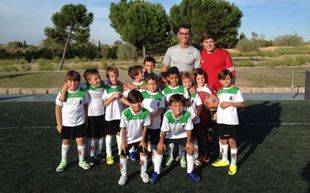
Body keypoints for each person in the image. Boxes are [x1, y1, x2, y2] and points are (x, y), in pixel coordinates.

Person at [150, 94, 201, 184]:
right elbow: (164, 131)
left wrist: (188, 142)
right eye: (175, 105)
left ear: (183, 106)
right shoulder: (167, 115)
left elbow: (189, 130)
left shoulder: (187, 115)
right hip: (169, 136)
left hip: (182, 135)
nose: (178, 108)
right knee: (159, 149)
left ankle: (190, 172)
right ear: (170, 106)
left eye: (180, 105)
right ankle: (156, 172)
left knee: (190, 149)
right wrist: (161, 142)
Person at [54, 70, 90, 172]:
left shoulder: (83, 92)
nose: (73, 83)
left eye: (75, 81)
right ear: (66, 82)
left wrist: (85, 119)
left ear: (79, 82)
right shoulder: (62, 93)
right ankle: (63, 161)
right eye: (70, 81)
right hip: (66, 124)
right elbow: (57, 108)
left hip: (79, 122)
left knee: (81, 141)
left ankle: (81, 160)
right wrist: (59, 124)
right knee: (65, 141)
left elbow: (86, 105)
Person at [211, 70, 245, 175]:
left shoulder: (236, 90)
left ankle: (233, 163)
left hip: (231, 121)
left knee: (232, 141)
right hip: (221, 120)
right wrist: (215, 113)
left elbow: (242, 104)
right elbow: (218, 104)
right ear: (220, 81)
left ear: (231, 79)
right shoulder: (219, 91)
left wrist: (230, 103)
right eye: (223, 79)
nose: (225, 81)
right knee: (222, 140)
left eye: (228, 78)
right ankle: (225, 160)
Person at [118, 90, 151, 185]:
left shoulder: (146, 112)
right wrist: (124, 142)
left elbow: (145, 127)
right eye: (135, 102)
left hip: (139, 138)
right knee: (123, 155)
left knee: (144, 154)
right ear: (131, 103)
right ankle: (123, 175)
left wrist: (143, 140)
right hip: (127, 139)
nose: (138, 104)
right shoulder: (126, 113)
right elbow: (123, 129)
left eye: (140, 101)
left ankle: (143, 173)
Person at [161, 67, 190, 166]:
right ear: (168, 78)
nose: (174, 80)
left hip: (182, 119)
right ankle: (171, 156)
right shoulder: (165, 91)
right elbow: (163, 105)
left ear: (179, 77)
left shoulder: (183, 89)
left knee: (182, 139)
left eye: (176, 78)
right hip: (170, 120)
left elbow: (187, 101)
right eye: (172, 78)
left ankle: (182, 157)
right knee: (171, 140)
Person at [103, 67, 130, 165]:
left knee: (119, 135)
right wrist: (113, 97)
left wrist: (126, 90)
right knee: (109, 136)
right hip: (109, 117)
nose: (114, 78)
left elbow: (125, 97)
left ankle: (120, 151)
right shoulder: (106, 88)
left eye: (116, 76)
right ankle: (109, 154)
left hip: (119, 115)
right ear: (108, 77)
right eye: (112, 76)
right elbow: (104, 103)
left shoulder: (121, 86)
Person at [83, 68, 106, 165]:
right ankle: (92, 155)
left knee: (101, 136)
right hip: (91, 116)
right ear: (89, 81)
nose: (98, 80)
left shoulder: (103, 85)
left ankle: (99, 153)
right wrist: (85, 118)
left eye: (99, 77)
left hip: (102, 115)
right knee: (92, 137)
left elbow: (115, 82)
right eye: (95, 79)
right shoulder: (85, 88)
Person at [141, 74, 165, 158]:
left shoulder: (161, 95)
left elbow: (161, 109)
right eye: (150, 84)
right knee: (143, 139)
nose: (152, 86)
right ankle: (144, 155)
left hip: (155, 124)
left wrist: (152, 117)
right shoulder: (142, 94)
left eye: (154, 83)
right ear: (146, 85)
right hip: (144, 124)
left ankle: (154, 156)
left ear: (157, 83)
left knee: (154, 141)